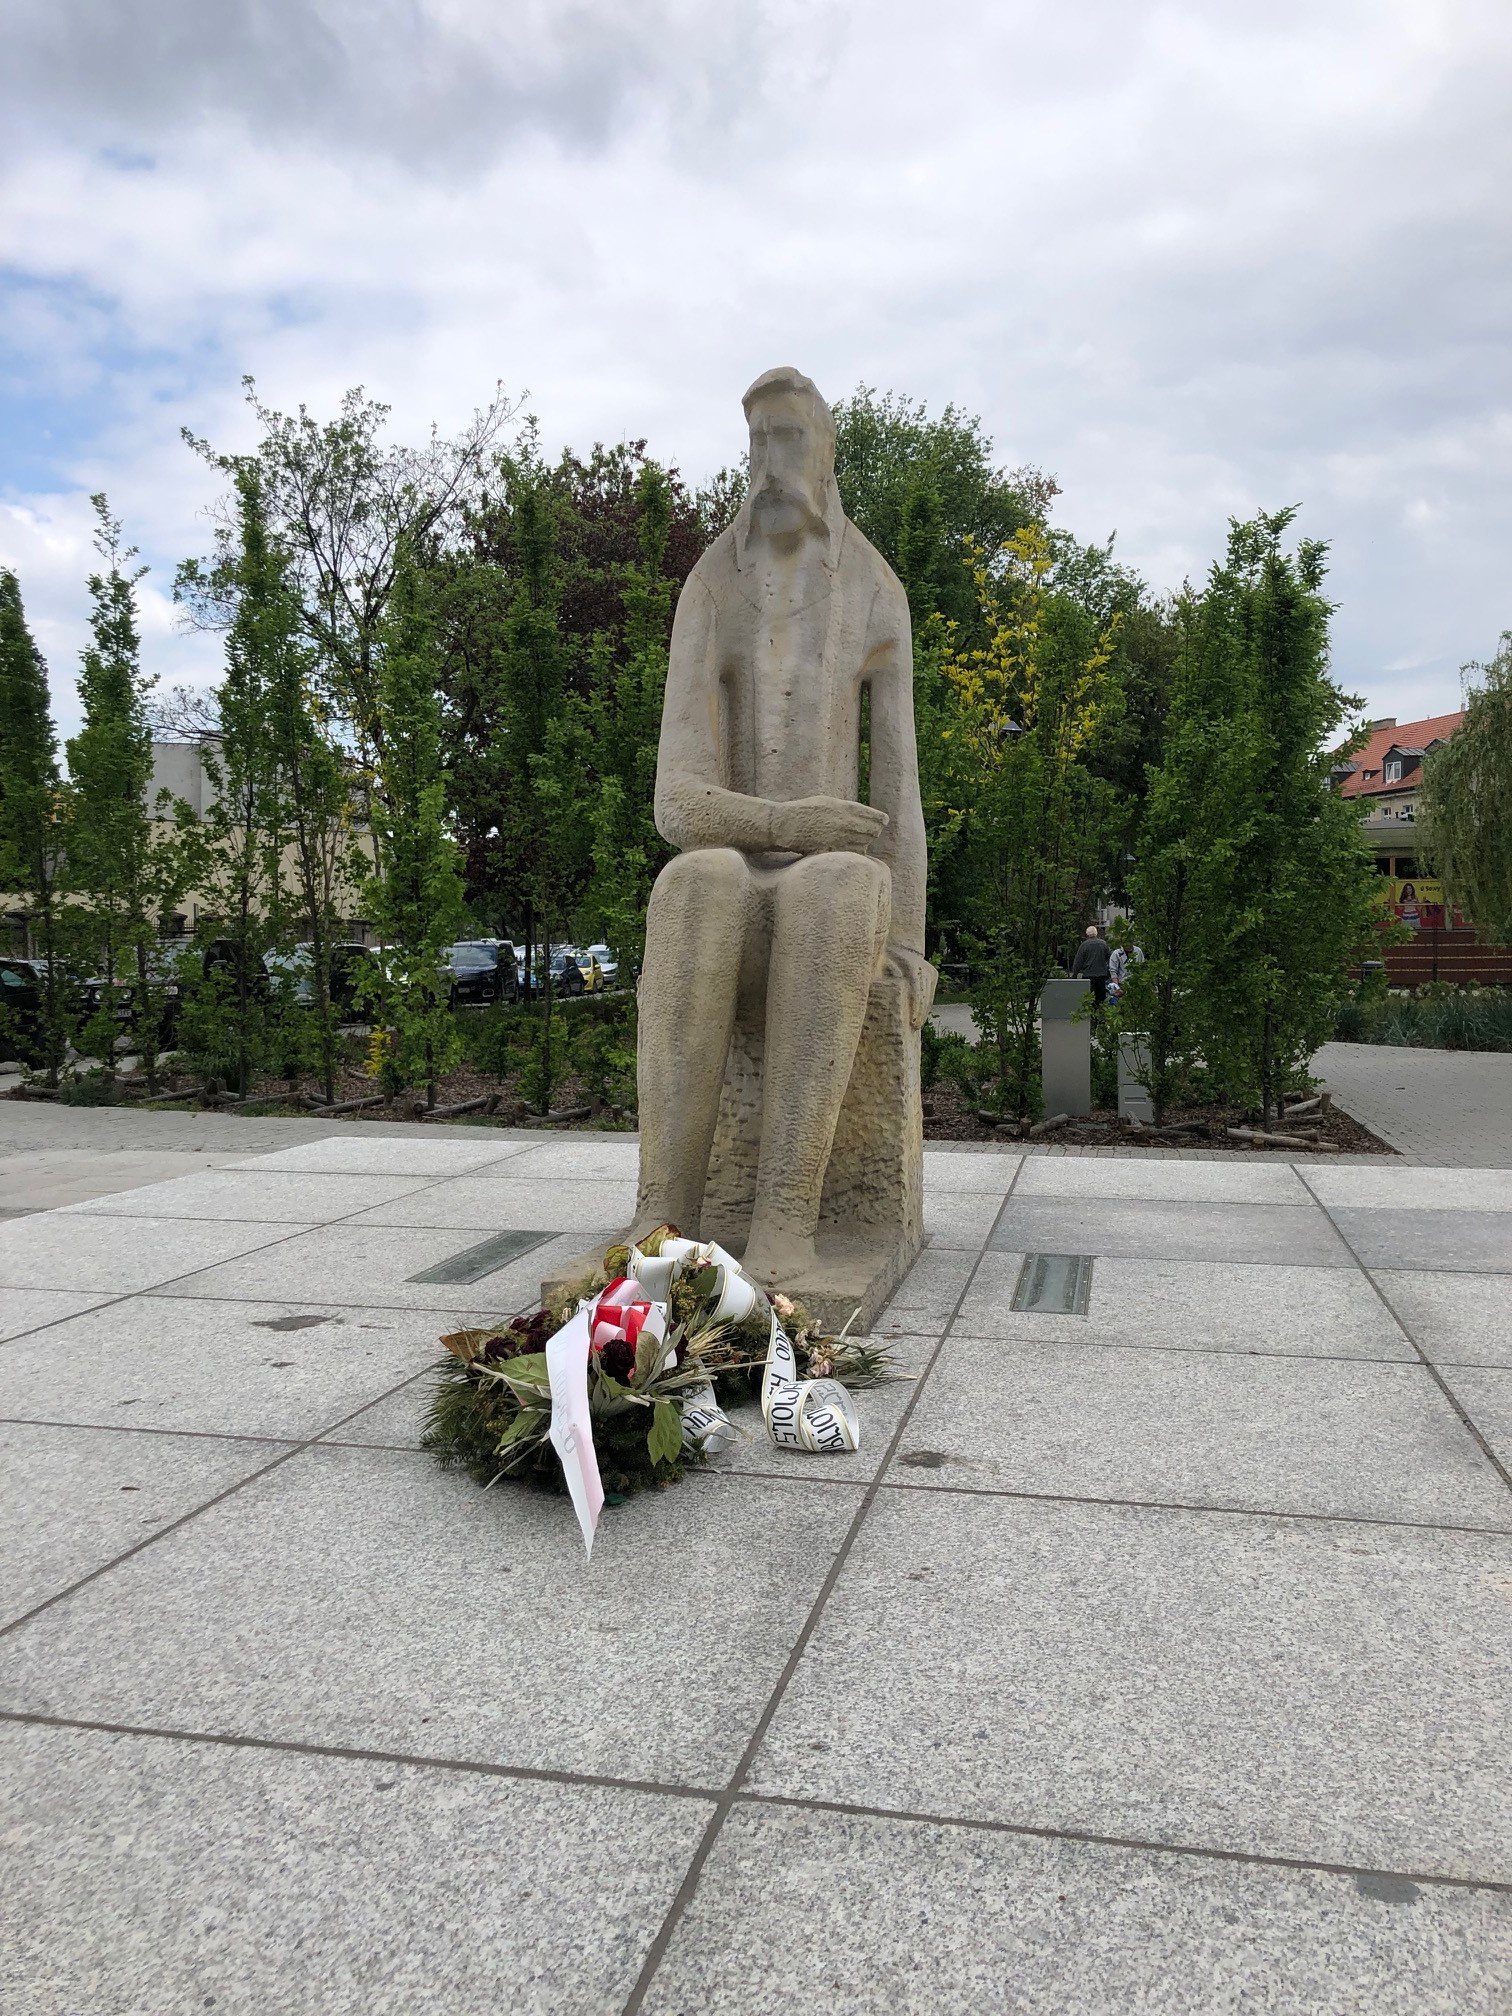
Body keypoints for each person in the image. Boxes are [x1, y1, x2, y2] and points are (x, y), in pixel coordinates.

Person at [634, 365, 932, 1285]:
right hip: (736, 861)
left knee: (837, 886)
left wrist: (910, 942)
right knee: (694, 881)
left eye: (789, 438)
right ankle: (661, 1218)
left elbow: (899, 784)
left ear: (827, 451)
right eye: (757, 440)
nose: (770, 460)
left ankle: (785, 1220)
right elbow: (677, 804)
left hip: (835, 880)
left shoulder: (874, 588)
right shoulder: (710, 586)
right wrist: (788, 819)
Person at [1070, 924, 1112, 1007]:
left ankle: (1091, 1012)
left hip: (1088, 975)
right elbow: (1110, 958)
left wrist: (1074, 975)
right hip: (1101, 975)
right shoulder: (1103, 944)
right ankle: (1100, 1013)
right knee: (1101, 998)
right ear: (1096, 933)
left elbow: (1078, 962)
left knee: (1089, 998)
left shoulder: (1084, 945)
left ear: (1087, 934)